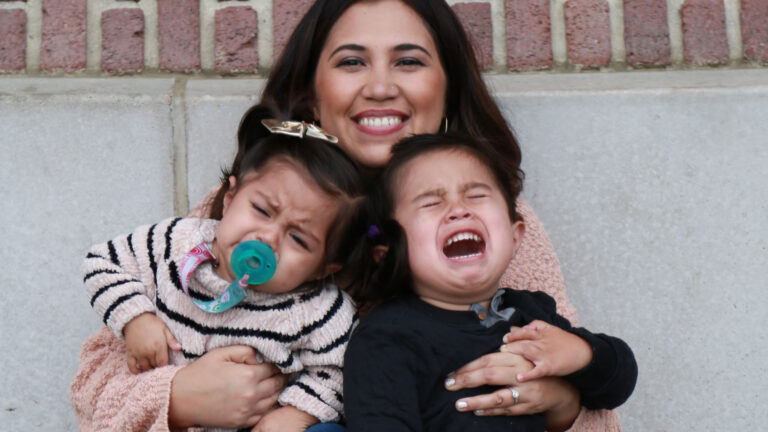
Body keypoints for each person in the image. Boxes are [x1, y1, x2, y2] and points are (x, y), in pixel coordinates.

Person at [71, 0, 623, 429]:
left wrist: (560, 406)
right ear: (311, 93)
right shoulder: (236, 218)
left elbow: (600, 411)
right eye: (351, 61)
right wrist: (180, 399)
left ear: (449, 91)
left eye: (409, 61)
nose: (380, 86)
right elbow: (95, 392)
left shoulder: (491, 224)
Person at [80, 111, 363, 431]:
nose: (268, 238)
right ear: (229, 198)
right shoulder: (177, 242)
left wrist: (295, 414)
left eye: (298, 238)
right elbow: (103, 262)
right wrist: (136, 319)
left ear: (322, 268)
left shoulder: (317, 311)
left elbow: (339, 372)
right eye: (261, 210)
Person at [343, 134, 637, 432]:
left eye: (477, 196)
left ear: (515, 237)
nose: (459, 209)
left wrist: (579, 353)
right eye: (431, 202)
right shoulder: (387, 338)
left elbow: (618, 383)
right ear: (390, 251)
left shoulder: (530, 313)